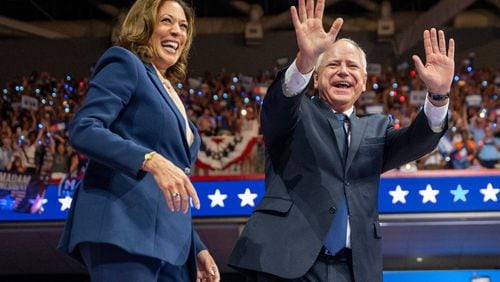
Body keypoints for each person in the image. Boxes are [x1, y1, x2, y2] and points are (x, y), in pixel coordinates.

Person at [228, 0, 454, 281]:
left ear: (363, 82)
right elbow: (278, 105)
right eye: (333, 64)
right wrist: (305, 61)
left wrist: (439, 95)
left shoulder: (376, 127)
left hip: (353, 269)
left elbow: (419, 141)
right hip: (286, 264)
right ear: (317, 77)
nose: (344, 71)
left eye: (352, 67)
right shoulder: (295, 113)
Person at [57, 1, 220, 281]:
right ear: (144, 25)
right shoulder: (125, 63)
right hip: (123, 228)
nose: (177, 32)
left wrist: (196, 247)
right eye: (166, 21)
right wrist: (149, 159)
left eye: (183, 26)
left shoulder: (170, 90)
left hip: (170, 244)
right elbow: (84, 128)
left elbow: (168, 186)